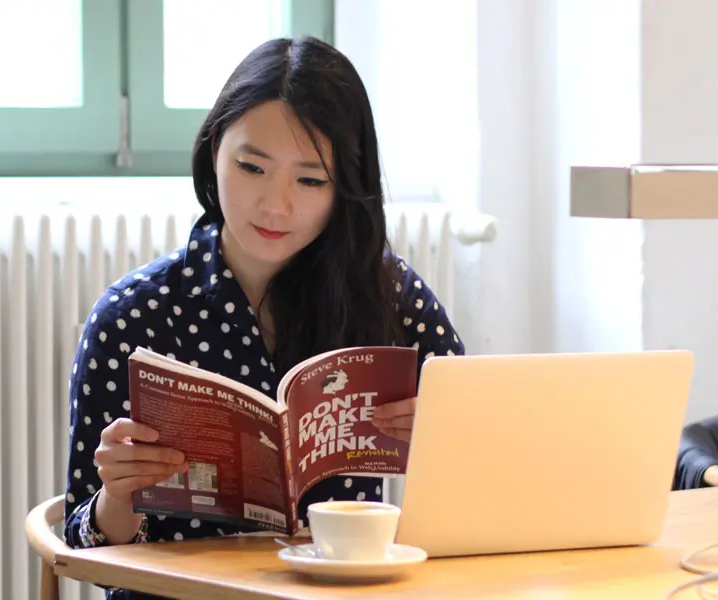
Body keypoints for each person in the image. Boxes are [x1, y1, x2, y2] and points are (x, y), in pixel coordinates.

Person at [61, 36, 466, 598]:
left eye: (310, 180)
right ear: (213, 152)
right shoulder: (133, 318)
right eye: (251, 167)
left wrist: (444, 445)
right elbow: (82, 550)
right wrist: (117, 497)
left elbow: (484, 480)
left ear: (346, 186)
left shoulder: (390, 299)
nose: (276, 206)